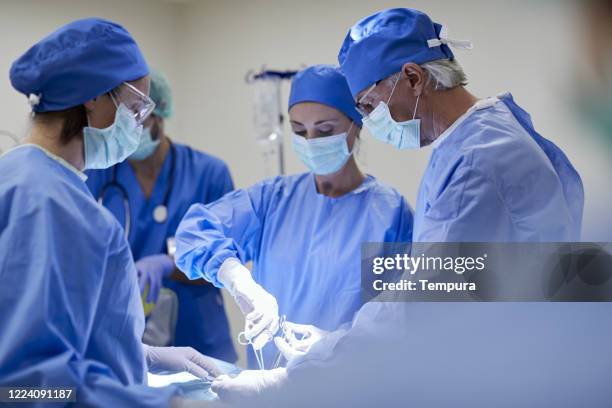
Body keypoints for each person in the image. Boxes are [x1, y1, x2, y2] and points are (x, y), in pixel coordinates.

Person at [210, 9, 608, 406]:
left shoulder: (475, 163)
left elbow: (423, 304)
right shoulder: (481, 136)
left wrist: (295, 377)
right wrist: (332, 344)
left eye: (368, 106)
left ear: (414, 78)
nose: (370, 120)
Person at [0, 18, 220, 407]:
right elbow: (25, 386)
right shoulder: (54, 206)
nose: (138, 126)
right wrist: (163, 404)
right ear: (94, 97)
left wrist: (140, 357)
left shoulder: (18, 177)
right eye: (136, 108)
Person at [175, 64, 414, 368]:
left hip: (354, 386)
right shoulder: (271, 200)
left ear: (357, 123)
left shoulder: (390, 215)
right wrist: (236, 278)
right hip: (270, 389)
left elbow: (401, 316)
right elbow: (194, 232)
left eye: (325, 130)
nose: (311, 140)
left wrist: (336, 345)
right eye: (299, 131)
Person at [86, 71, 237, 363]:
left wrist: (170, 264)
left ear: (160, 113)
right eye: (123, 122)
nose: (132, 130)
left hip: (200, 338)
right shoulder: (97, 174)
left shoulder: (208, 173)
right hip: (125, 340)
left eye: (139, 119)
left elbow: (228, 260)